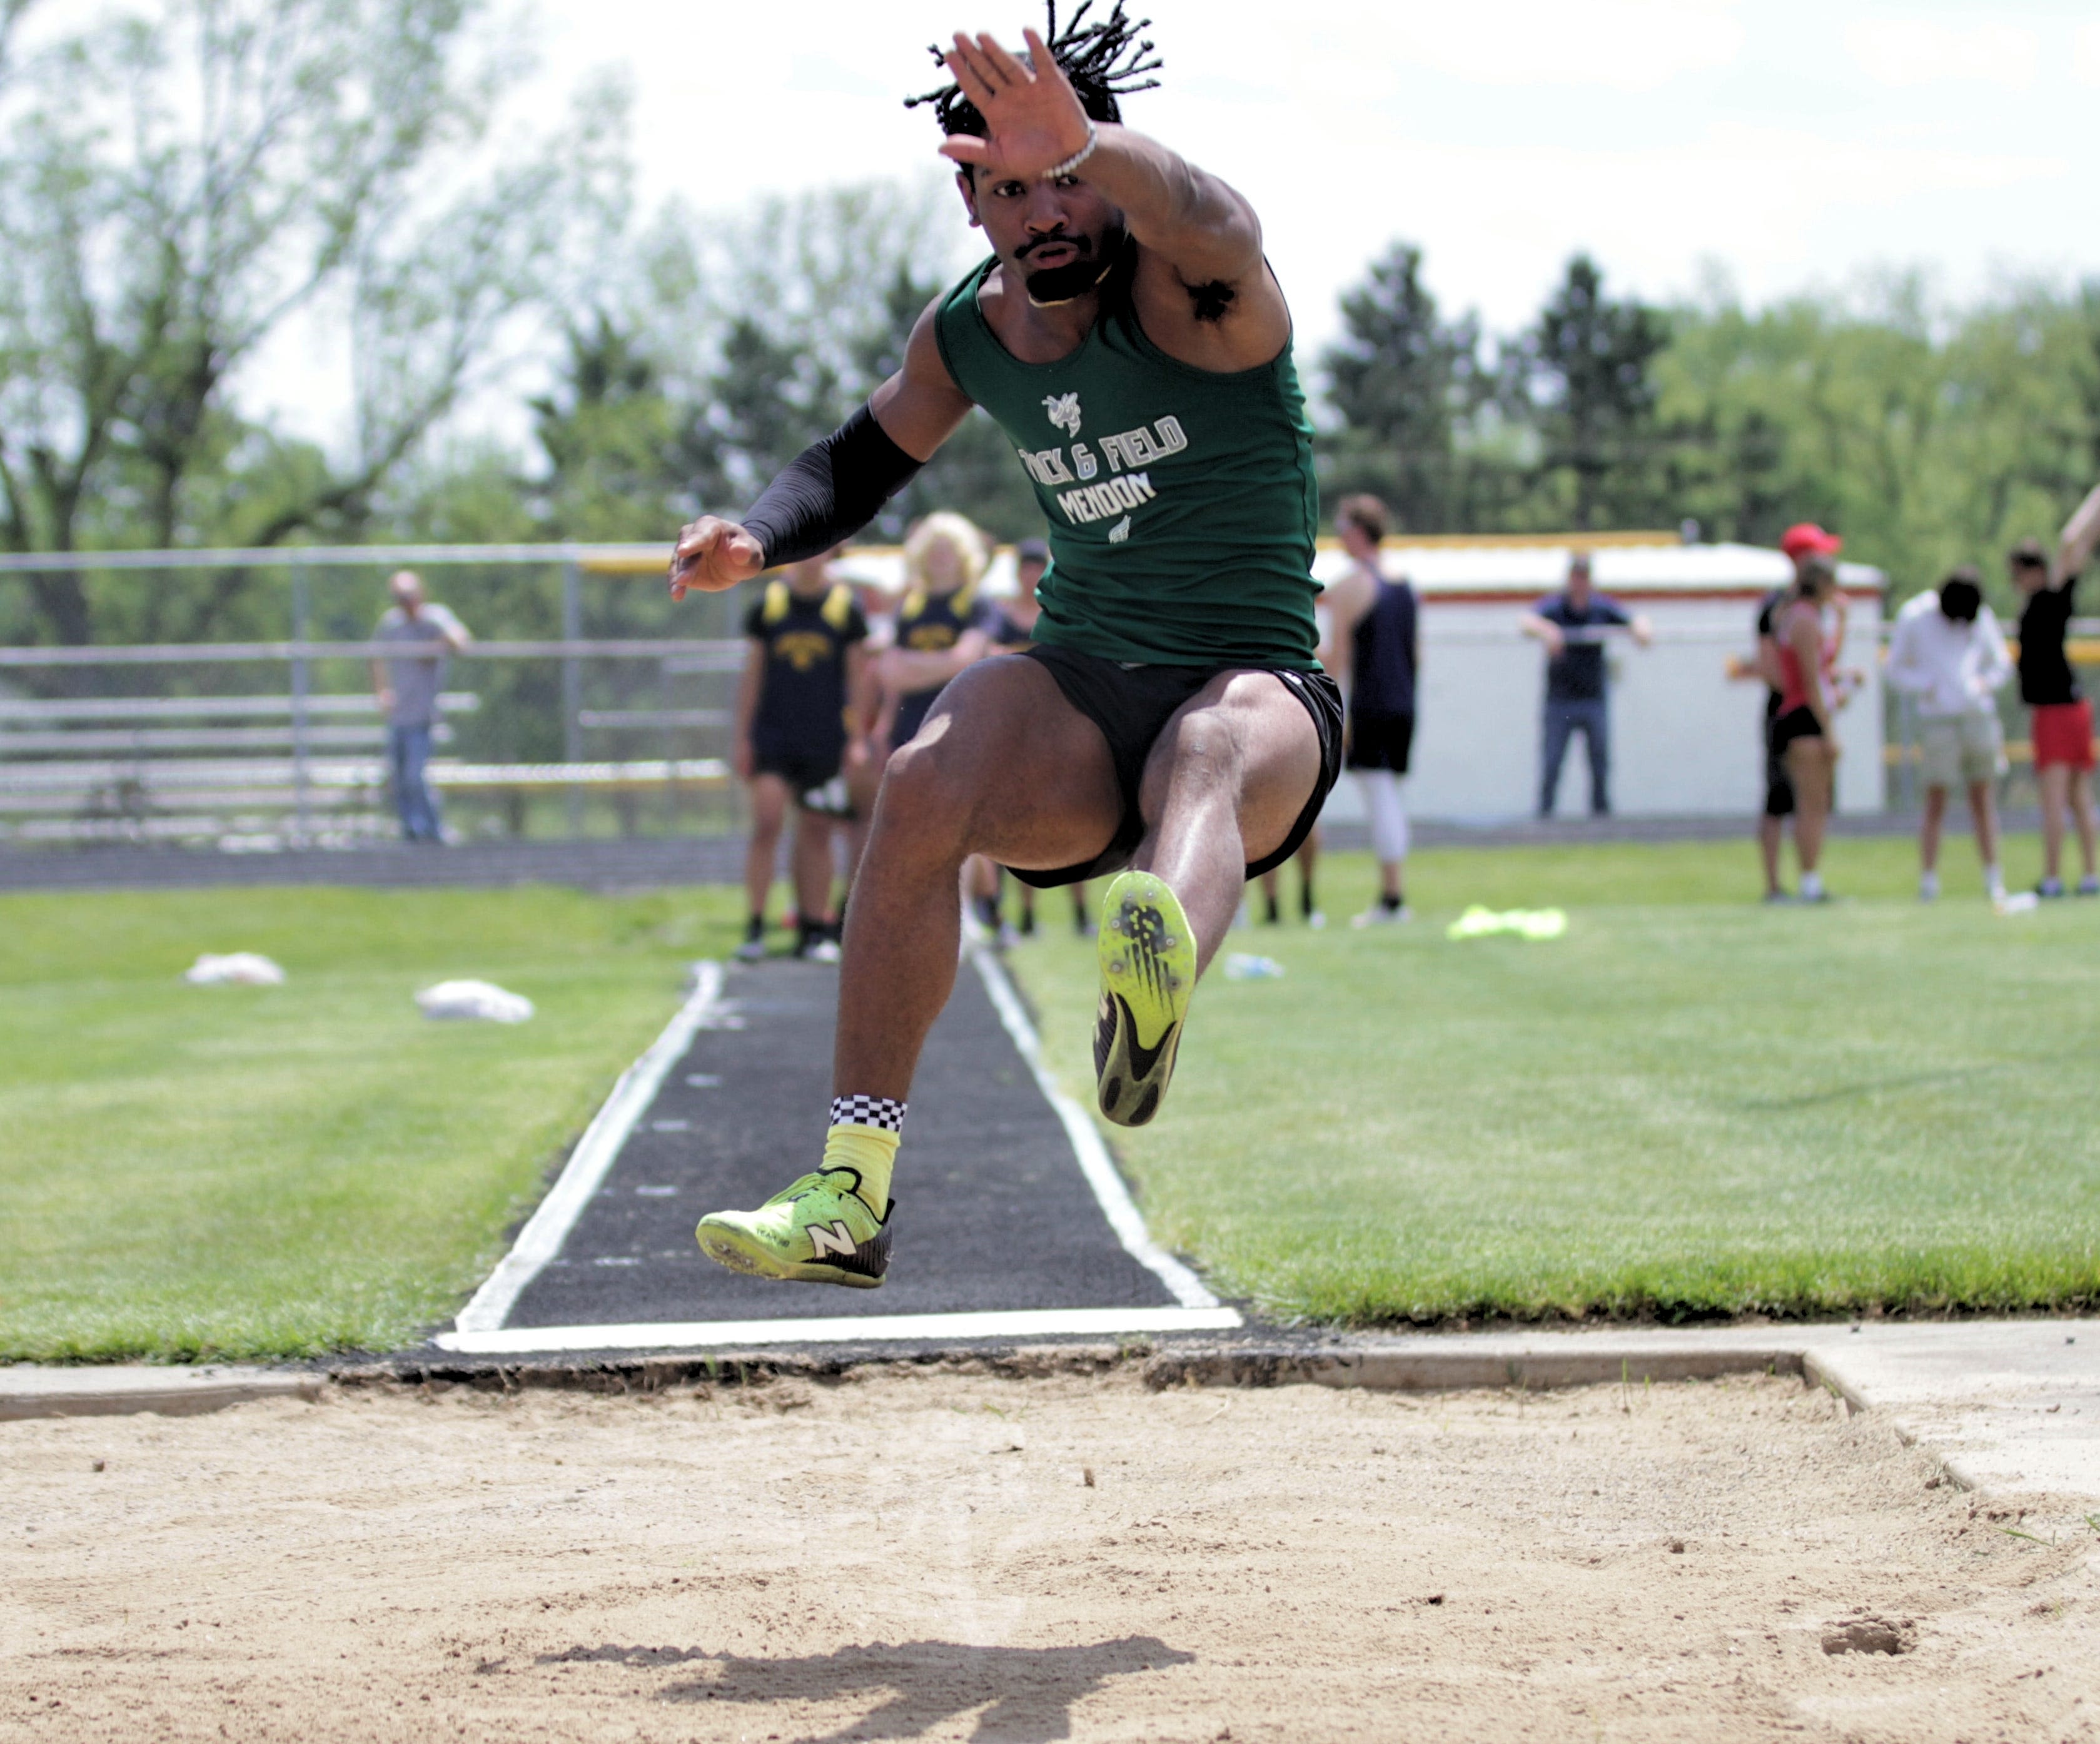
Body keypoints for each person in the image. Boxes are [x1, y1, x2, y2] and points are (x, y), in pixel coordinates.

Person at [668, 6, 1343, 1288]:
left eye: (1062, 180)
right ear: (971, 206)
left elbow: (1218, 217)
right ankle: (848, 1196)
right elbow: (860, 455)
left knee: (1201, 750)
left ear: (1104, 173)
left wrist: (1093, 143)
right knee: (923, 778)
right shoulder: (971, 329)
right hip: (1083, 692)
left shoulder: (1194, 294)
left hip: (1257, 689)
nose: (1039, 210)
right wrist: (755, 539)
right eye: (1003, 187)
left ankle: (1152, 970)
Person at [734, 548, 872, 962]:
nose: (812, 559)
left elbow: (858, 678)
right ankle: (756, 923)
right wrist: (743, 736)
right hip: (773, 736)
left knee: (816, 827)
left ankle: (814, 927)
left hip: (823, 738)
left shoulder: (845, 608)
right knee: (768, 821)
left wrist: (857, 737)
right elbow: (752, 676)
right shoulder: (770, 606)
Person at [1886, 567, 2012, 902]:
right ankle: (1929, 881)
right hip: (1939, 720)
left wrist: (1983, 685)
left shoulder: (1978, 615)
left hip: (1976, 716)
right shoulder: (1915, 615)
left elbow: (2001, 663)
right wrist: (1927, 686)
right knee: (1936, 800)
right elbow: (1895, 669)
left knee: (1983, 798)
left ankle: (1993, 879)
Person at [1320, 493, 1416, 924]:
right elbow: (1417, 654)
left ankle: (1393, 899)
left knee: (1381, 799)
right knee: (1389, 795)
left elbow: (1336, 664)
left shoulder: (1349, 587)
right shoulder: (1405, 585)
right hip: (1404, 704)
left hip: (1371, 706)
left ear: (1358, 532)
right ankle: (1393, 896)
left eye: (1342, 528)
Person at [1520, 553, 1651, 817]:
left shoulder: (1600, 608)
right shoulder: (1555, 607)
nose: (1580, 582)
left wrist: (1641, 628)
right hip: (1560, 701)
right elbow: (1525, 621)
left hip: (1593, 699)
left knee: (1600, 763)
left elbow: (1635, 621)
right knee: (1552, 762)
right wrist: (1547, 630)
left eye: (1584, 577)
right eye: (1576, 576)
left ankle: (1601, 822)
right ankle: (1544, 820)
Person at [2017, 510, 2099, 896]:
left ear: (2034, 571)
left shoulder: (2051, 598)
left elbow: (2072, 541)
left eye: (2018, 573)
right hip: (2065, 709)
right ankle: (2088, 875)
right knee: (2076, 797)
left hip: (2058, 711)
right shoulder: (2037, 603)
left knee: (2061, 798)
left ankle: (2055, 878)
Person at [369, 570, 470, 844]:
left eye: (408, 596)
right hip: (398, 714)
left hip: (422, 714)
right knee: (399, 780)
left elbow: (460, 640)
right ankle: (410, 831)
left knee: (415, 777)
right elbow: (375, 656)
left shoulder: (435, 618)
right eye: (399, 597)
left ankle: (433, 830)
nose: (404, 603)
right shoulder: (391, 624)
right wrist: (382, 691)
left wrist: (432, 647)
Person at [1767, 556, 1845, 902]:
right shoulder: (1805, 619)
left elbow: (1824, 665)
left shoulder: (1799, 616)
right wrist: (1828, 731)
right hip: (1804, 719)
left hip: (1803, 714)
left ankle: (1810, 879)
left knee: (1814, 804)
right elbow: (1811, 682)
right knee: (1812, 805)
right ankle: (1809, 882)